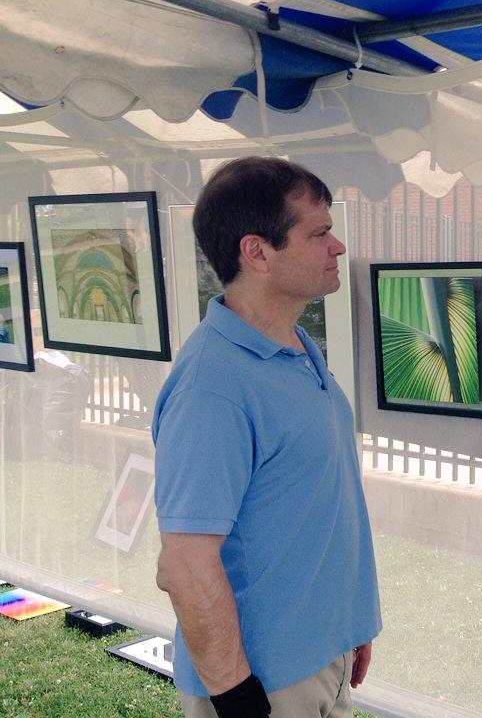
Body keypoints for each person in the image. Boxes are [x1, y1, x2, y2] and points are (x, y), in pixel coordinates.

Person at [152, 157, 380, 718]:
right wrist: (237, 699)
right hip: (261, 681)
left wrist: (346, 622)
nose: (338, 247)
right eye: (319, 234)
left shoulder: (294, 344)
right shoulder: (212, 388)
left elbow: (312, 501)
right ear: (257, 252)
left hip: (320, 653)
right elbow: (185, 566)